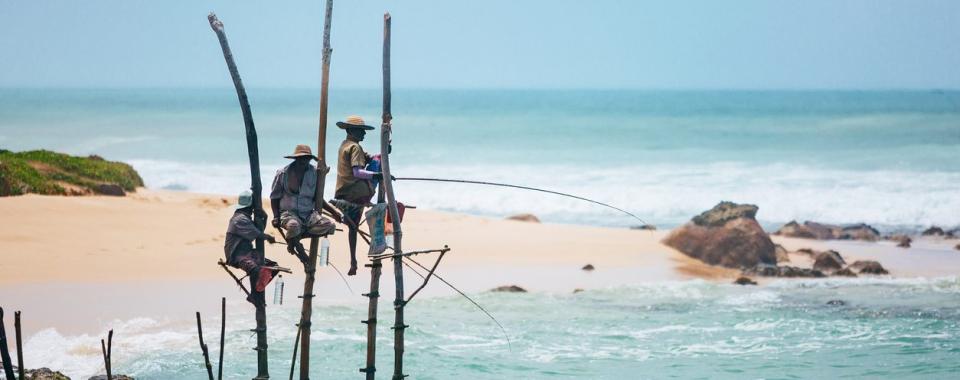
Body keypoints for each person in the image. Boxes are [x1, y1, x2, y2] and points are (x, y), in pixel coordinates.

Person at [270, 144, 341, 258]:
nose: (303, 161)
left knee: (329, 226)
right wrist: (276, 217)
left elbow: (318, 198)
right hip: (289, 214)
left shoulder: (314, 173)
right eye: (301, 158)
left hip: (308, 215)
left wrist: (334, 212)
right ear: (296, 159)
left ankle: (297, 237)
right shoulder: (283, 173)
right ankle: (295, 235)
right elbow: (274, 197)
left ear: (309, 159)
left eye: (306, 158)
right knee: (293, 226)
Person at [334, 115, 383, 275]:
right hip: (357, 193)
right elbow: (357, 172)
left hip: (343, 192)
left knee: (353, 229)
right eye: (361, 131)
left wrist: (374, 157)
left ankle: (353, 261)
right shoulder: (355, 147)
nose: (364, 134)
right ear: (351, 131)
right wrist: (377, 176)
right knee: (379, 160)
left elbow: (365, 158)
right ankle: (355, 259)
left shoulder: (344, 145)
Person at [224, 189, 278, 304]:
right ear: (251, 205)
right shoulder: (240, 219)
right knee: (255, 270)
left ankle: (258, 290)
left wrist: (265, 217)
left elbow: (258, 231)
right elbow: (258, 234)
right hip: (236, 254)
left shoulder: (244, 217)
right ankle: (255, 294)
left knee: (273, 267)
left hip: (248, 252)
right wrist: (269, 237)